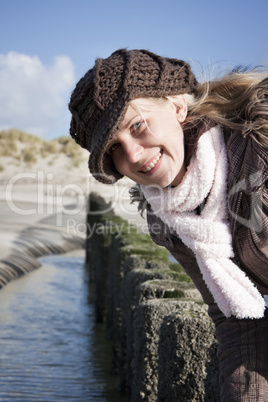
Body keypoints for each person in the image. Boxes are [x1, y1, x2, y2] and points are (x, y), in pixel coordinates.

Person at [68, 49, 268, 401]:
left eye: (137, 126)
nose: (132, 155)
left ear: (177, 105)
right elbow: (236, 322)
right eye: (115, 147)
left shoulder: (260, 146)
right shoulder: (170, 222)